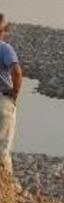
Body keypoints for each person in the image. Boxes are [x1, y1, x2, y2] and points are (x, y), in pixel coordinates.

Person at [0, 14, 22, 175]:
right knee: (2, 147)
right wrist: (15, 94)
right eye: (6, 28)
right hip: (3, 99)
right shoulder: (5, 48)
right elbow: (17, 72)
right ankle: (7, 189)